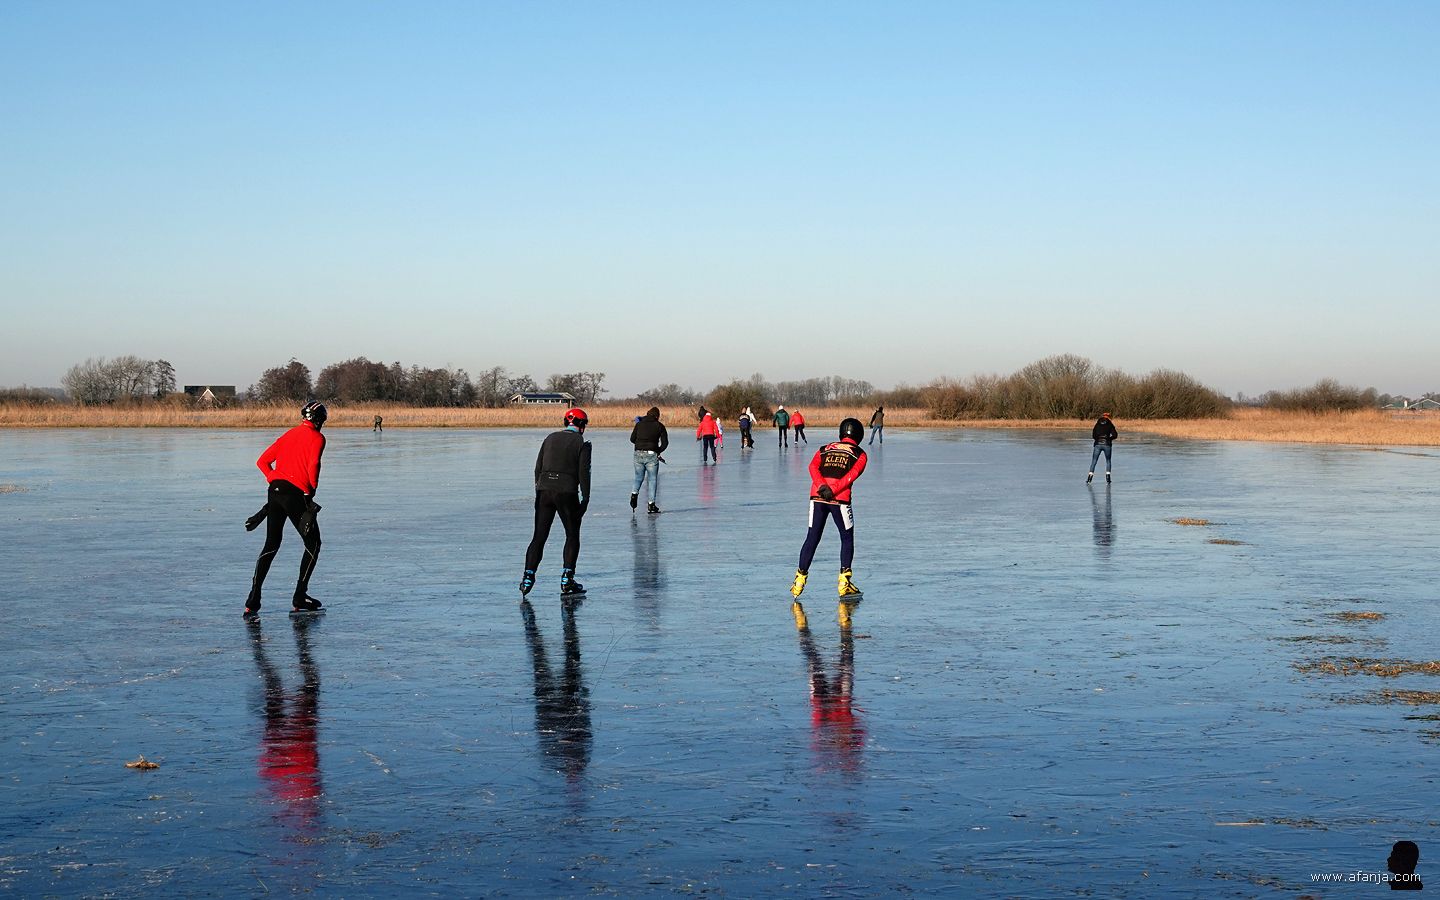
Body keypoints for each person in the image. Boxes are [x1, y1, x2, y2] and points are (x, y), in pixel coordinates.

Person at [245, 402, 327, 617]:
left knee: (271, 544)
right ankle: (300, 595)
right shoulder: (317, 438)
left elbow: (262, 462)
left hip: (275, 492)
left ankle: (253, 599)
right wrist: (311, 489)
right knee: (313, 543)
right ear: (319, 420)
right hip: (296, 494)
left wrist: (274, 478)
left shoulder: (288, 435)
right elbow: (313, 464)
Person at [790, 418, 868, 599]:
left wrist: (821, 486)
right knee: (847, 538)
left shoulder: (824, 449)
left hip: (817, 497)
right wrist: (832, 490)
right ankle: (844, 583)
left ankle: (799, 581)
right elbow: (851, 476)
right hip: (839, 499)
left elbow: (812, 467)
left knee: (812, 537)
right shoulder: (861, 454)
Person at [521, 408, 592, 598]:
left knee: (539, 536)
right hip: (567, 492)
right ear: (582, 425)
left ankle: (528, 577)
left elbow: (538, 468)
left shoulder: (550, 438)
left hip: (544, 491)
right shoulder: (582, 443)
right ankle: (567, 580)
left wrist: (539, 489)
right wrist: (585, 499)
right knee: (572, 535)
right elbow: (584, 473)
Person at [629, 406, 668, 514]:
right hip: (651, 455)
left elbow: (632, 439)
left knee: (638, 477)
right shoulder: (659, 426)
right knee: (652, 479)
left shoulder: (639, 424)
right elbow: (665, 443)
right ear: (657, 416)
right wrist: (658, 450)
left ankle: (634, 494)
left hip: (638, 454)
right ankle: (651, 505)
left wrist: (640, 444)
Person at [1087, 412, 1118, 484]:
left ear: (1102, 417)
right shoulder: (1110, 424)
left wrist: (1098, 439)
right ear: (1108, 417)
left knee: (1094, 461)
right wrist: (1109, 439)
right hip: (1107, 444)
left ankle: (1089, 478)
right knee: (1108, 461)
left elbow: (1093, 435)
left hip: (1097, 444)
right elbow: (1115, 435)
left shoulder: (1097, 424)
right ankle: (1108, 478)